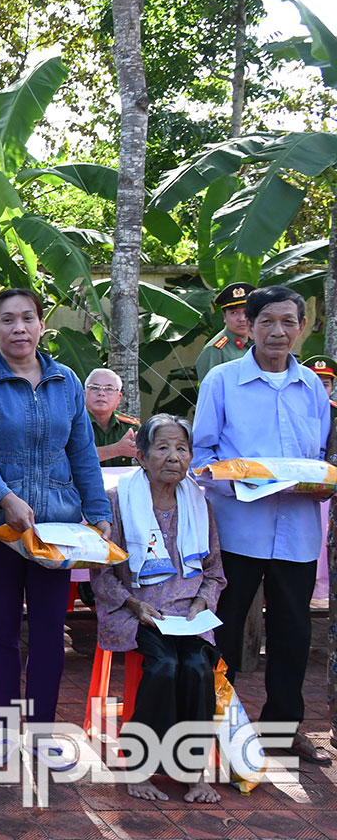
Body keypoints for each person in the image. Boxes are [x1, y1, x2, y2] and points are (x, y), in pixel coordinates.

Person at [0, 287, 112, 770]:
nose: (18, 328)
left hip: (57, 529)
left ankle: (41, 733)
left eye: (27, 318)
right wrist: (5, 499)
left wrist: (98, 512)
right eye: (7, 319)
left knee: (48, 633)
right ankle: (4, 732)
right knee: (0, 630)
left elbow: (82, 452)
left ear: (42, 326)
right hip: (0, 529)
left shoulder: (66, 381)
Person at [193, 284, 332, 765]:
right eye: (267, 321)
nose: (278, 331)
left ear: (301, 327)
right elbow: (201, 455)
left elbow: (319, 456)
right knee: (225, 630)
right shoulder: (223, 381)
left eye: (288, 321)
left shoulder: (312, 386)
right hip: (238, 529)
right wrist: (243, 484)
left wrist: (322, 483)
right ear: (248, 326)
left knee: (293, 633)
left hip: (298, 532)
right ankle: (217, 727)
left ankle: (282, 729)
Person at [91, 414, 225, 804]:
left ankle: (194, 771)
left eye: (182, 449)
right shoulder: (117, 502)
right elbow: (101, 571)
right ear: (141, 456)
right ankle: (141, 766)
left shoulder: (199, 504)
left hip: (188, 616)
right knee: (164, 666)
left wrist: (200, 603)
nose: (174, 457)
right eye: (163, 448)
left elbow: (214, 571)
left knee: (197, 668)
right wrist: (134, 604)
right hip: (135, 611)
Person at [194, 281, 255, 383]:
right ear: (224, 316)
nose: (242, 319)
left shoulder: (257, 343)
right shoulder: (215, 350)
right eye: (234, 313)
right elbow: (209, 388)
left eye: (246, 312)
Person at [85, 368, 140, 467]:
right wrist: (117, 450)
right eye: (94, 388)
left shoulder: (130, 427)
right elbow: (69, 457)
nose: (101, 393)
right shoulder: (71, 424)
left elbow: (151, 459)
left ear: (119, 398)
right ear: (84, 395)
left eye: (109, 389)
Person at [302, 355, 337, 425]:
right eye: (315, 385)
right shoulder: (294, 408)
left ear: (332, 387)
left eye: (325, 385)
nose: (320, 390)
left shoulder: (334, 412)